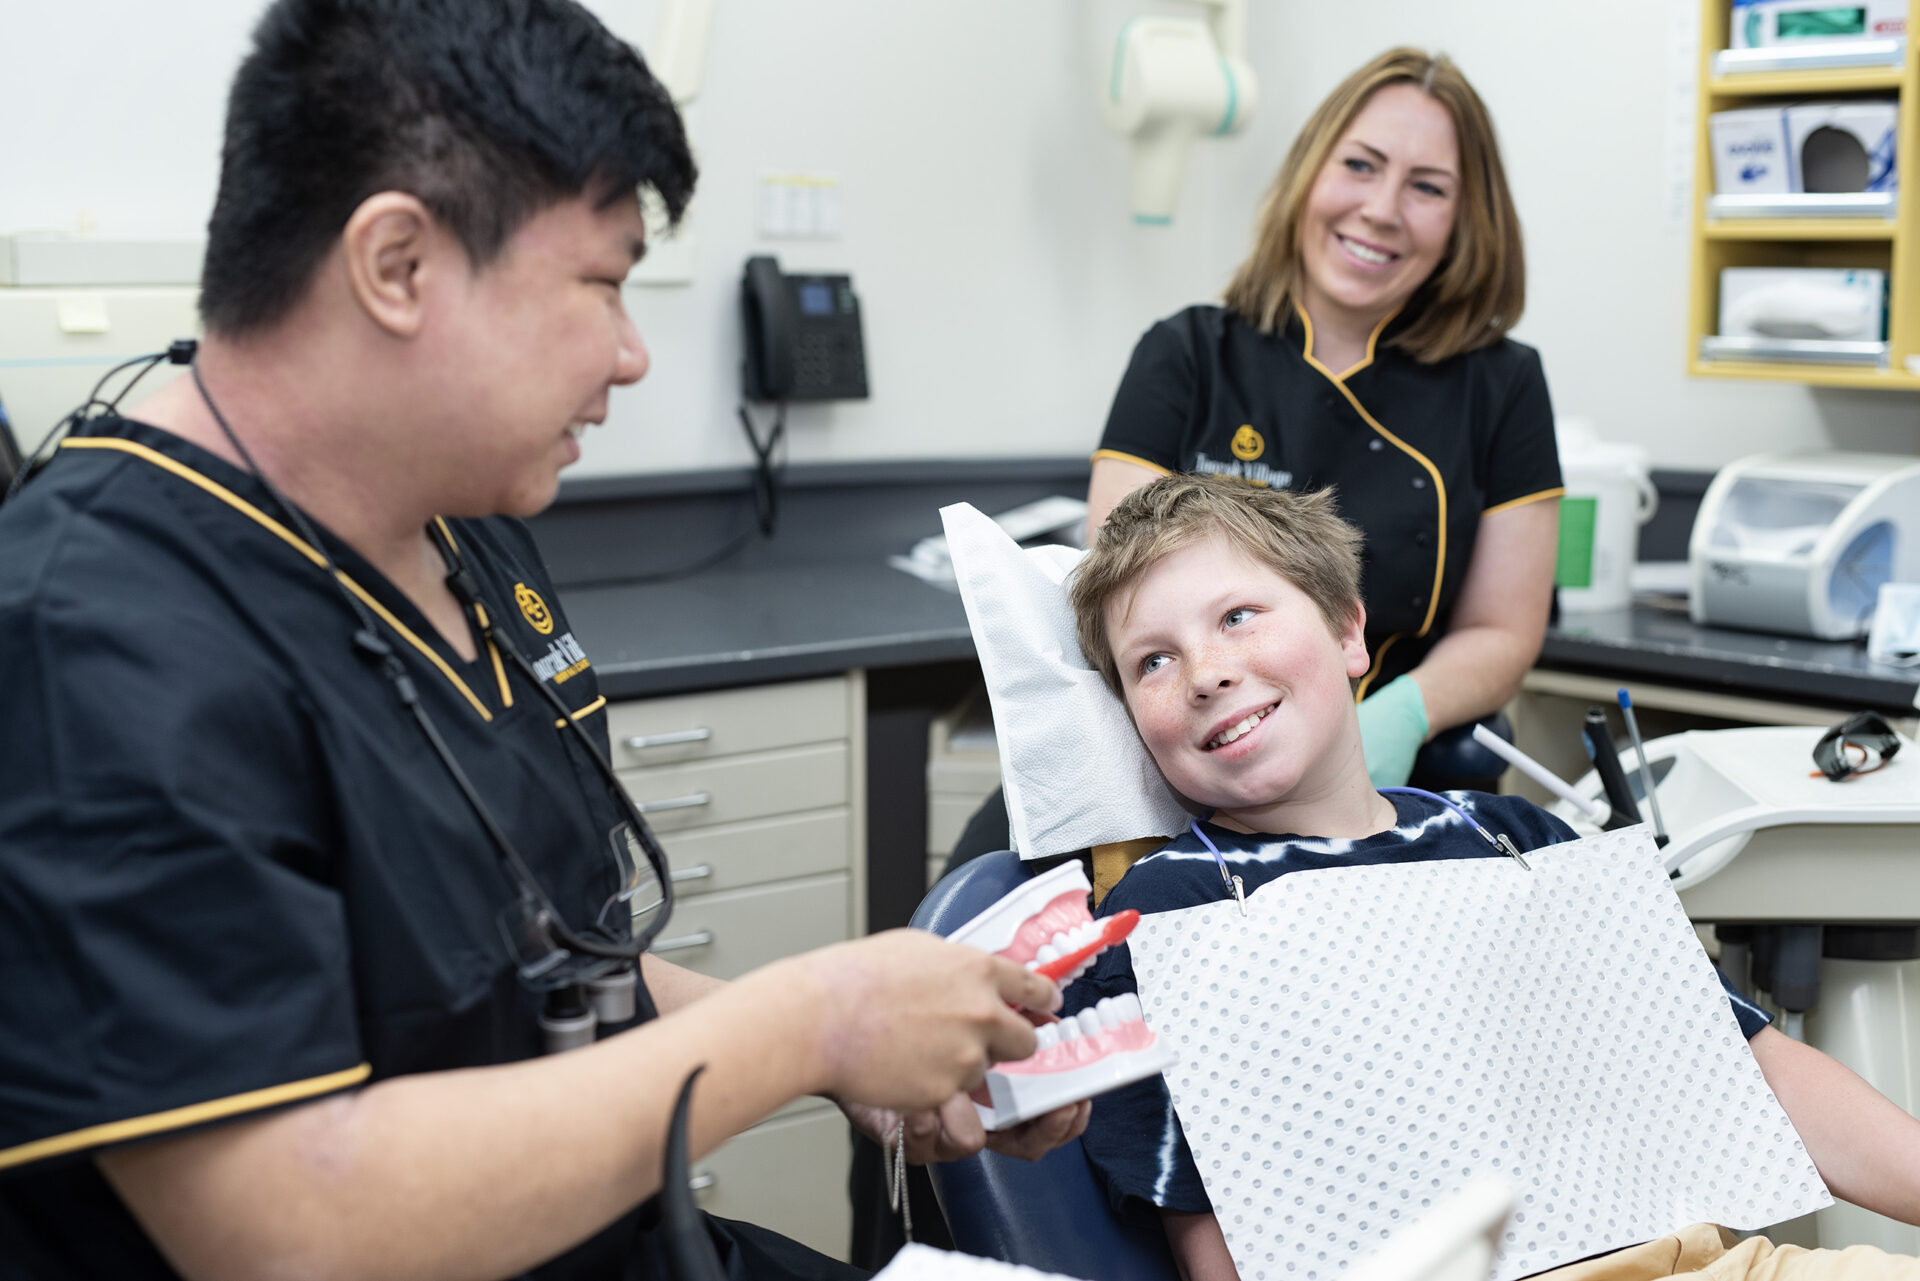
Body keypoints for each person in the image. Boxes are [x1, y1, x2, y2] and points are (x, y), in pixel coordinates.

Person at [0, 2, 1087, 1277]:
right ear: (396, 265)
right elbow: (288, 1227)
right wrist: (807, 1025)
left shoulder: (460, 522)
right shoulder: (95, 637)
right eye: (602, 283)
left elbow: (547, 982)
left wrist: (859, 1055)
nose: (631, 356)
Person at [1061, 472, 1920, 1281]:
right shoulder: (1166, 921)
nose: (1206, 671)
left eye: (1239, 615)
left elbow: (1752, 1070)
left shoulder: (1514, 841)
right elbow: (1220, 1235)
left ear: (1349, 632)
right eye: (1153, 662)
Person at [1087, 47, 1563, 790]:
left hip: (1389, 785)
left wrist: (1401, 715)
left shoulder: (1503, 386)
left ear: (1465, 222)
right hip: (1188, 773)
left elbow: (1502, 630)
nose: (1381, 209)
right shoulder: (1183, 354)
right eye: (1361, 165)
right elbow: (1119, 598)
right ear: (1310, 171)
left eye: (1428, 187)